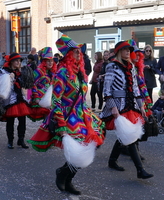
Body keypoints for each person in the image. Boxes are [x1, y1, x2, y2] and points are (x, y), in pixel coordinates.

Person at [28, 35, 105, 195]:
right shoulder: (62, 73)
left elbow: (83, 97)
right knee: (79, 147)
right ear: (69, 54)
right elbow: (56, 101)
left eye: (80, 52)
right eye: (76, 52)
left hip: (82, 115)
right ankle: (65, 177)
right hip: (68, 117)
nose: (79, 54)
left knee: (90, 145)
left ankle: (64, 174)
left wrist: (89, 113)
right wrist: (61, 125)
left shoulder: (80, 73)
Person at [100, 41, 153, 179]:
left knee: (126, 134)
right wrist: (113, 107)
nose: (128, 52)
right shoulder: (112, 67)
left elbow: (135, 88)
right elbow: (107, 90)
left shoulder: (131, 67)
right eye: (125, 50)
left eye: (129, 50)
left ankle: (112, 161)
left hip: (131, 105)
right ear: (118, 51)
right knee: (129, 136)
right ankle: (140, 170)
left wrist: (141, 105)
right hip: (118, 106)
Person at [0, 53, 32, 149]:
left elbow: (27, 85)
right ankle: (10, 141)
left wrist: (23, 75)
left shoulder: (22, 71)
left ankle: (21, 140)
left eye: (19, 61)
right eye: (16, 60)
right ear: (11, 62)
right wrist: (9, 78)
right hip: (10, 100)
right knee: (10, 121)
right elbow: (0, 84)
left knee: (22, 121)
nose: (18, 62)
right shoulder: (3, 72)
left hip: (21, 99)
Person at [28, 47, 56, 121]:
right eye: (48, 61)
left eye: (51, 61)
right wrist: (36, 98)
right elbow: (33, 84)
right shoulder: (38, 71)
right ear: (44, 62)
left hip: (52, 99)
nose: (50, 63)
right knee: (47, 120)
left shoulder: (54, 72)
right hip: (42, 99)